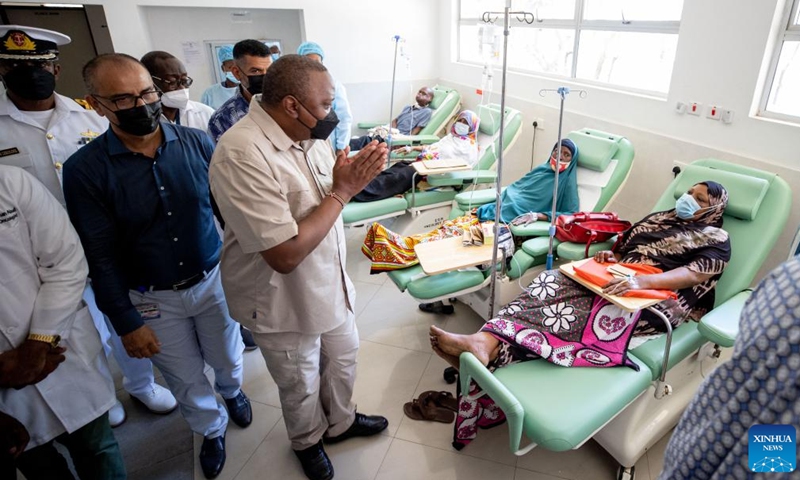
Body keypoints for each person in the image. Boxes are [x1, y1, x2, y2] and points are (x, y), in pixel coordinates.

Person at [428, 181, 731, 448]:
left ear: (714, 208)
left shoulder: (716, 238)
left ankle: (487, 345)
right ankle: (486, 341)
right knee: (549, 281)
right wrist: (610, 258)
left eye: (700, 198)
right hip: (617, 278)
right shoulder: (660, 219)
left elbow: (692, 274)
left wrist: (641, 281)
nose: (689, 199)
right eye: (689, 192)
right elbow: (624, 249)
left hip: (654, 300)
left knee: (575, 311)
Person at [63, 53, 251, 479]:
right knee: (183, 377)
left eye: (148, 92)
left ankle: (233, 391)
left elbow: (227, 215)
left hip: (210, 279)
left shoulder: (197, 142)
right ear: (97, 105)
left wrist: (247, 274)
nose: (143, 105)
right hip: (150, 298)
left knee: (228, 354)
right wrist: (126, 321)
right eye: (124, 99)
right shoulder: (85, 171)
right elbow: (100, 254)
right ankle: (210, 428)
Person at [209, 54, 390, 480]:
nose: (332, 114)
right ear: (292, 105)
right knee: (300, 381)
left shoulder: (310, 135)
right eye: (325, 105)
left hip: (329, 281)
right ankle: (307, 442)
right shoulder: (241, 152)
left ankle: (341, 423)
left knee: (343, 360)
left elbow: (323, 197)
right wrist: (343, 192)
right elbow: (284, 255)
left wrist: (346, 177)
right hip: (279, 295)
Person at [0, 24, 175, 427]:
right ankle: (97, 398)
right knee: (71, 328)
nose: (31, 73)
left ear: (55, 69)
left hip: (106, 243)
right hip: (38, 259)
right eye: (14, 64)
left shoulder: (89, 115)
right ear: (3, 70)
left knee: (123, 316)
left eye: (40, 64)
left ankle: (141, 385)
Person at [0, 164, 125, 479]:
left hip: (60, 352)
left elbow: (66, 262)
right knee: (40, 467)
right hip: (5, 395)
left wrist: (37, 343)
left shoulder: (12, 183)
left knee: (99, 450)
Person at [657, 255, 800, 479]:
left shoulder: (789, 279)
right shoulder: (790, 280)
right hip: (719, 433)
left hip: (717, 441)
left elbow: (774, 440)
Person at [361, 139, 580, 279]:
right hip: (490, 213)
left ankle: (399, 252)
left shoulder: (566, 184)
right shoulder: (540, 171)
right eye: (557, 151)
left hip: (507, 226)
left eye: (566, 155)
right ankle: (399, 246)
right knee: (448, 228)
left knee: (458, 238)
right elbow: (514, 190)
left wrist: (539, 215)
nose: (559, 157)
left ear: (572, 160)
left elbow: (571, 215)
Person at [208, 39, 272, 143]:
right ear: (237, 73)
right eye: (255, 71)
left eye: (269, 70)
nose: (265, 76)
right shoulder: (224, 119)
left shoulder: (285, 105)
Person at [297, 41, 353, 157]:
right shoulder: (296, 87)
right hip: (303, 146)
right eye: (308, 62)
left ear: (322, 63)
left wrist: (341, 147)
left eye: (316, 62)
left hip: (329, 145)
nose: (313, 66)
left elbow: (344, 118)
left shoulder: (334, 86)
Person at [141, 50, 214, 131]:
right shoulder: (141, 121)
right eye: (172, 82)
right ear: (150, 82)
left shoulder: (206, 114)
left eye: (184, 81)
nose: (182, 88)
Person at [348, 86, 434, 151]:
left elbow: (417, 129)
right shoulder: (408, 107)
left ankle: (343, 148)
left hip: (398, 138)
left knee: (366, 141)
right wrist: (392, 131)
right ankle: (344, 147)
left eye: (424, 94)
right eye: (419, 92)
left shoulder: (426, 112)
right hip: (390, 133)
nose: (420, 94)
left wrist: (404, 141)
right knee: (365, 140)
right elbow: (395, 120)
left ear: (429, 99)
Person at [200, 45, 239, 110]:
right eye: (230, 67)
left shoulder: (250, 90)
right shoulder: (210, 93)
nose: (234, 71)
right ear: (223, 68)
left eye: (237, 68)